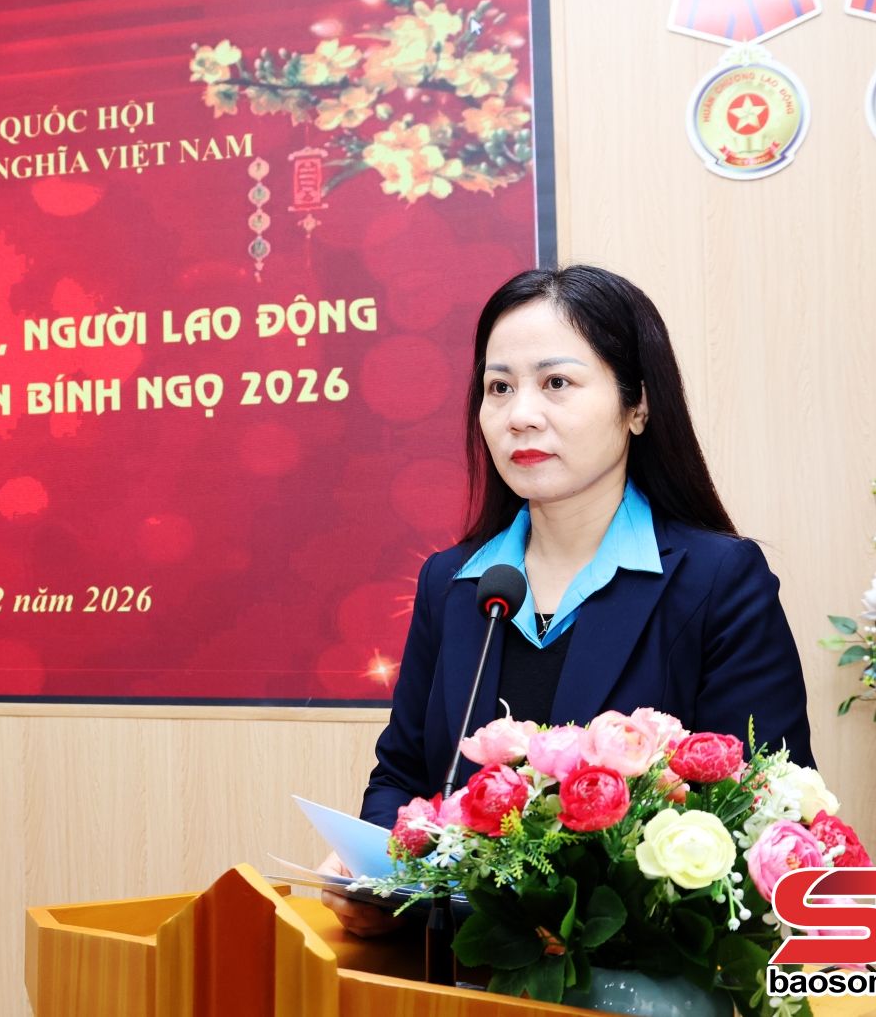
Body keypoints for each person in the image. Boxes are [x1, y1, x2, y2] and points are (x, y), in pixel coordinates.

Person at [321, 265, 814, 936]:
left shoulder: (717, 580)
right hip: (450, 969)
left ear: (638, 406)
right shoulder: (454, 582)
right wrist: (379, 879)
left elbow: (768, 808)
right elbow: (403, 776)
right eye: (499, 387)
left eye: (556, 383)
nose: (520, 415)